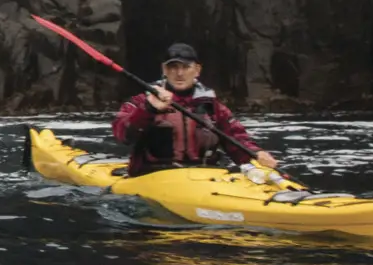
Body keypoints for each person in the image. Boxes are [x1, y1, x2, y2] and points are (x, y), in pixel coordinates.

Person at [109, 43, 272, 176]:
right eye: (173, 67)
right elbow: (123, 135)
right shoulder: (142, 101)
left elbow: (236, 138)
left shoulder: (213, 107)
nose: (179, 73)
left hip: (204, 177)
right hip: (154, 176)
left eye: (186, 67)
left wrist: (255, 154)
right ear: (164, 70)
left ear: (197, 70)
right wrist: (148, 109)